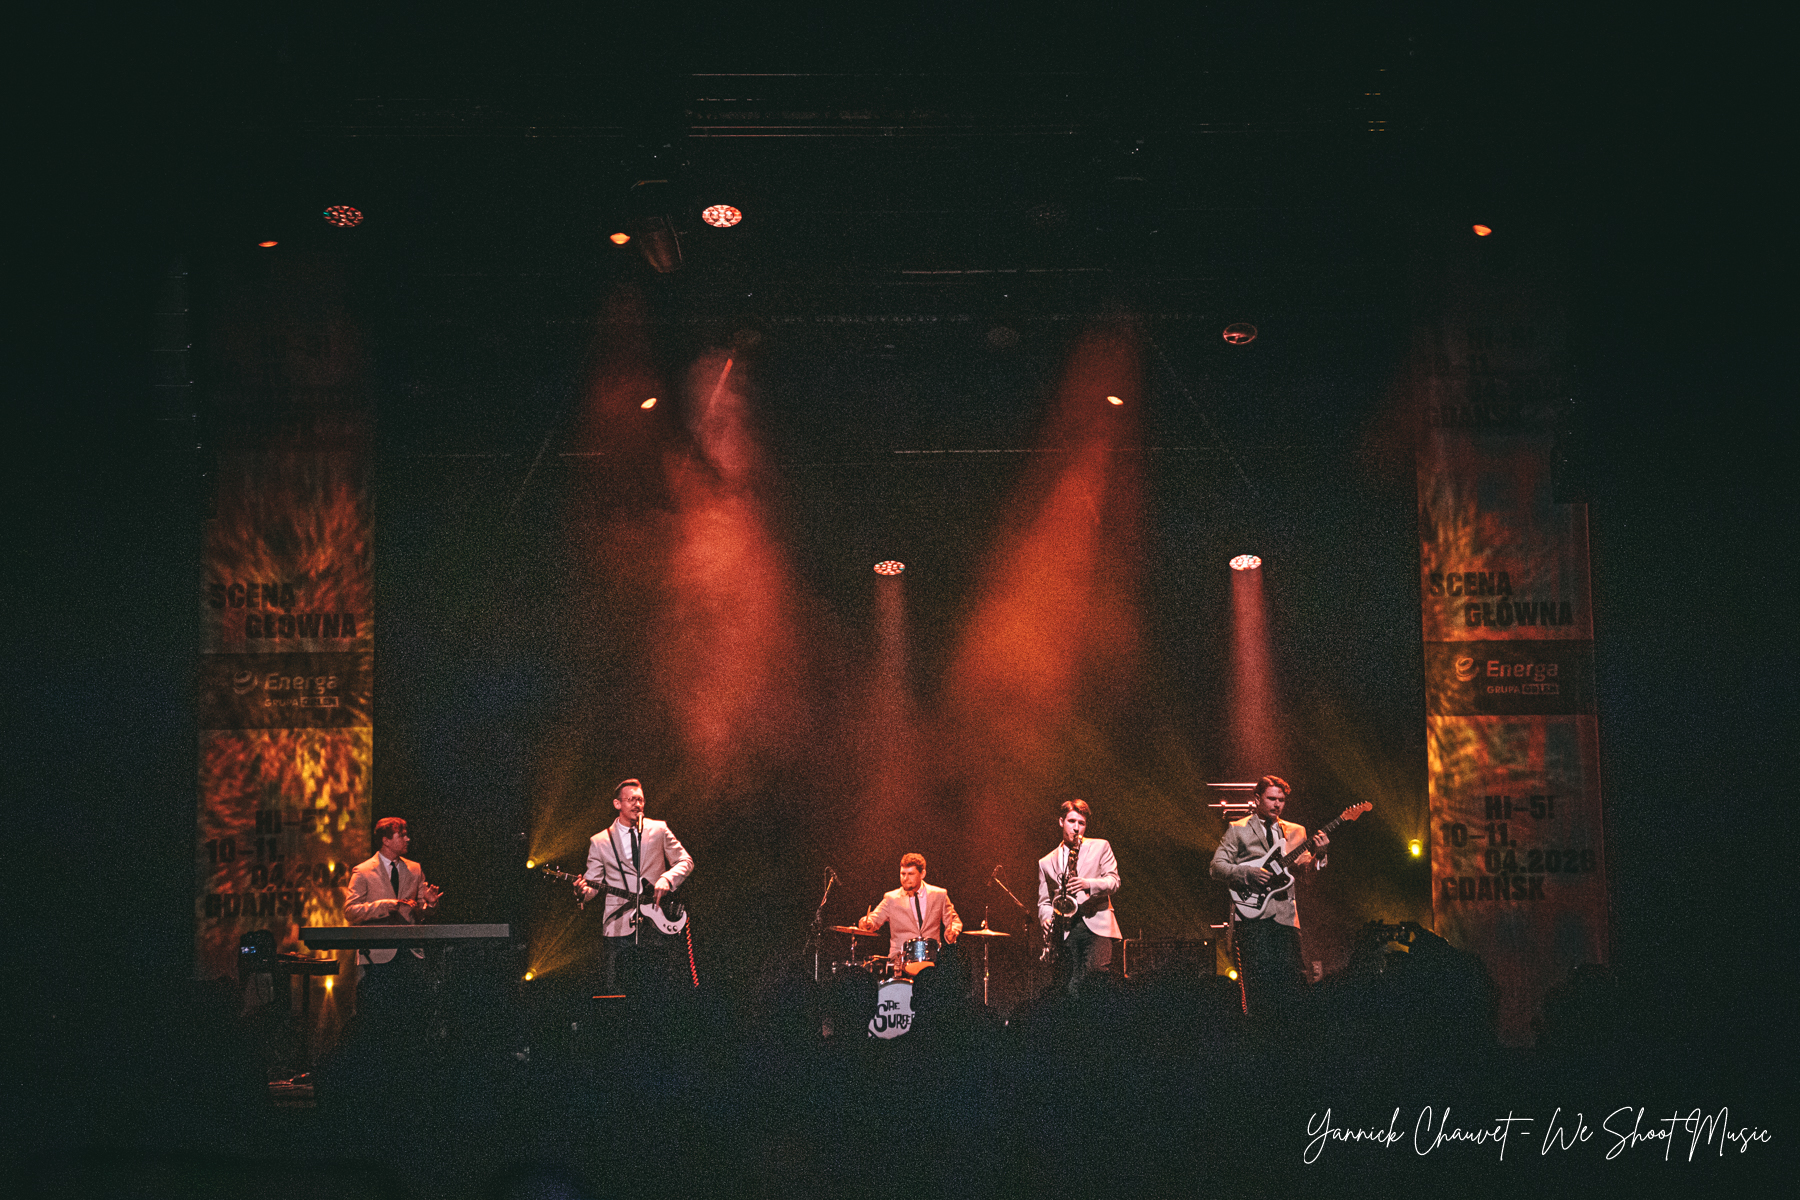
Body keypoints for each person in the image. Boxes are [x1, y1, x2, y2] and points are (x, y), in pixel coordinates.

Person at [1209, 775, 1328, 1018]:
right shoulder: (1238, 828)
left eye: (1281, 800)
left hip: (1286, 915)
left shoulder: (1296, 831)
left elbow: (1305, 873)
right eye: (1271, 798)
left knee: (1292, 979)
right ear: (1257, 798)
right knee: (1258, 983)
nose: (1277, 804)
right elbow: (1216, 867)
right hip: (1251, 914)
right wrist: (1246, 872)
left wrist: (1320, 856)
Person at [573, 778, 694, 996]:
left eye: (641, 800)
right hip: (618, 925)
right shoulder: (600, 841)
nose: (637, 804)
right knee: (618, 992)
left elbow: (685, 861)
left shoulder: (658, 829)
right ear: (617, 804)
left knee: (658, 990)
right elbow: (593, 885)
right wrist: (583, 892)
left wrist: (667, 879)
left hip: (655, 922)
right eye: (631, 799)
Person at [344, 817, 442, 1012]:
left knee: (410, 1011)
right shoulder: (363, 871)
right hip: (378, 955)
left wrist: (430, 904)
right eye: (402, 835)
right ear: (386, 840)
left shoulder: (414, 869)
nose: (408, 839)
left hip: (409, 953)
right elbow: (350, 911)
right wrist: (385, 906)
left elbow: (421, 911)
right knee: (380, 1011)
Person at [1036, 799, 1122, 996]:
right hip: (1066, 929)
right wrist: (1046, 918)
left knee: (1097, 979)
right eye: (1072, 821)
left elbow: (1114, 881)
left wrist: (1088, 884)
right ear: (1061, 821)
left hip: (1097, 925)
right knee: (1069, 986)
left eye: (1081, 823)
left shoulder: (1101, 846)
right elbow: (1044, 901)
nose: (1076, 828)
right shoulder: (1046, 862)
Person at [858, 852, 962, 975]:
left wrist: (952, 932)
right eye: (903, 874)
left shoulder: (939, 895)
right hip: (900, 962)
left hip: (931, 961)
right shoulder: (891, 898)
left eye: (910, 874)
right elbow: (873, 920)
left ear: (922, 874)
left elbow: (954, 920)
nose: (905, 878)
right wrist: (867, 923)